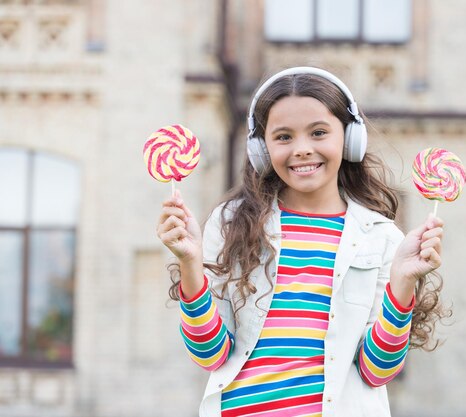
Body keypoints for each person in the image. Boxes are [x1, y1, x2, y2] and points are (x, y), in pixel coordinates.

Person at [156, 67, 448, 417]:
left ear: (350, 138)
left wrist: (403, 282)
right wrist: (190, 265)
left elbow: (376, 371)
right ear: (260, 149)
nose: (302, 149)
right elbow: (211, 355)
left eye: (319, 132)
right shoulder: (231, 223)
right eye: (283, 137)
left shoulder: (383, 238)